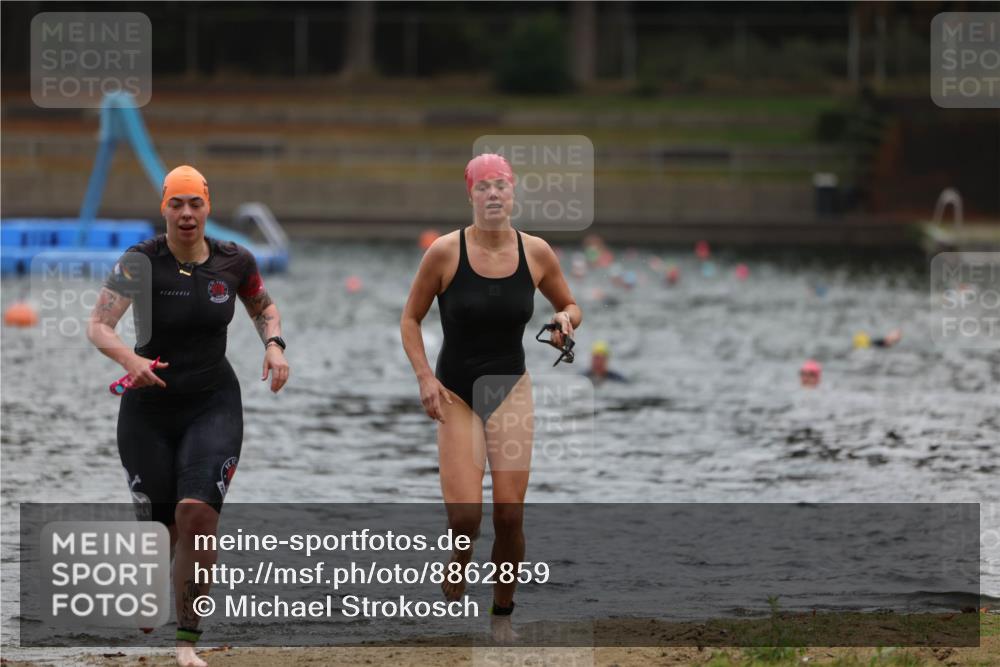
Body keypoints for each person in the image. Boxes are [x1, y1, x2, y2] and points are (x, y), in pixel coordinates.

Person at [87, 165, 289, 667]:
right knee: (161, 528)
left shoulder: (234, 260)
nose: (185, 214)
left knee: (195, 515)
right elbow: (98, 325)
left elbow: (263, 306)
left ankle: (186, 643)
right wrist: (129, 360)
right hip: (147, 409)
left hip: (212, 403)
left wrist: (274, 345)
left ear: (208, 206)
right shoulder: (139, 262)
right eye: (175, 204)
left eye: (194, 203)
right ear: (164, 208)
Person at [400, 153, 581, 643]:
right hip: (455, 391)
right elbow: (410, 319)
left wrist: (565, 321)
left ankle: (502, 615)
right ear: (471, 194)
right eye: (484, 187)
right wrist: (424, 379)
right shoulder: (444, 252)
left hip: (511, 388)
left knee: (509, 512)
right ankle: (459, 556)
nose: (494, 194)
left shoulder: (537, 252)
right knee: (465, 519)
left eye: (501, 184)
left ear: (514, 191)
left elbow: (569, 303)